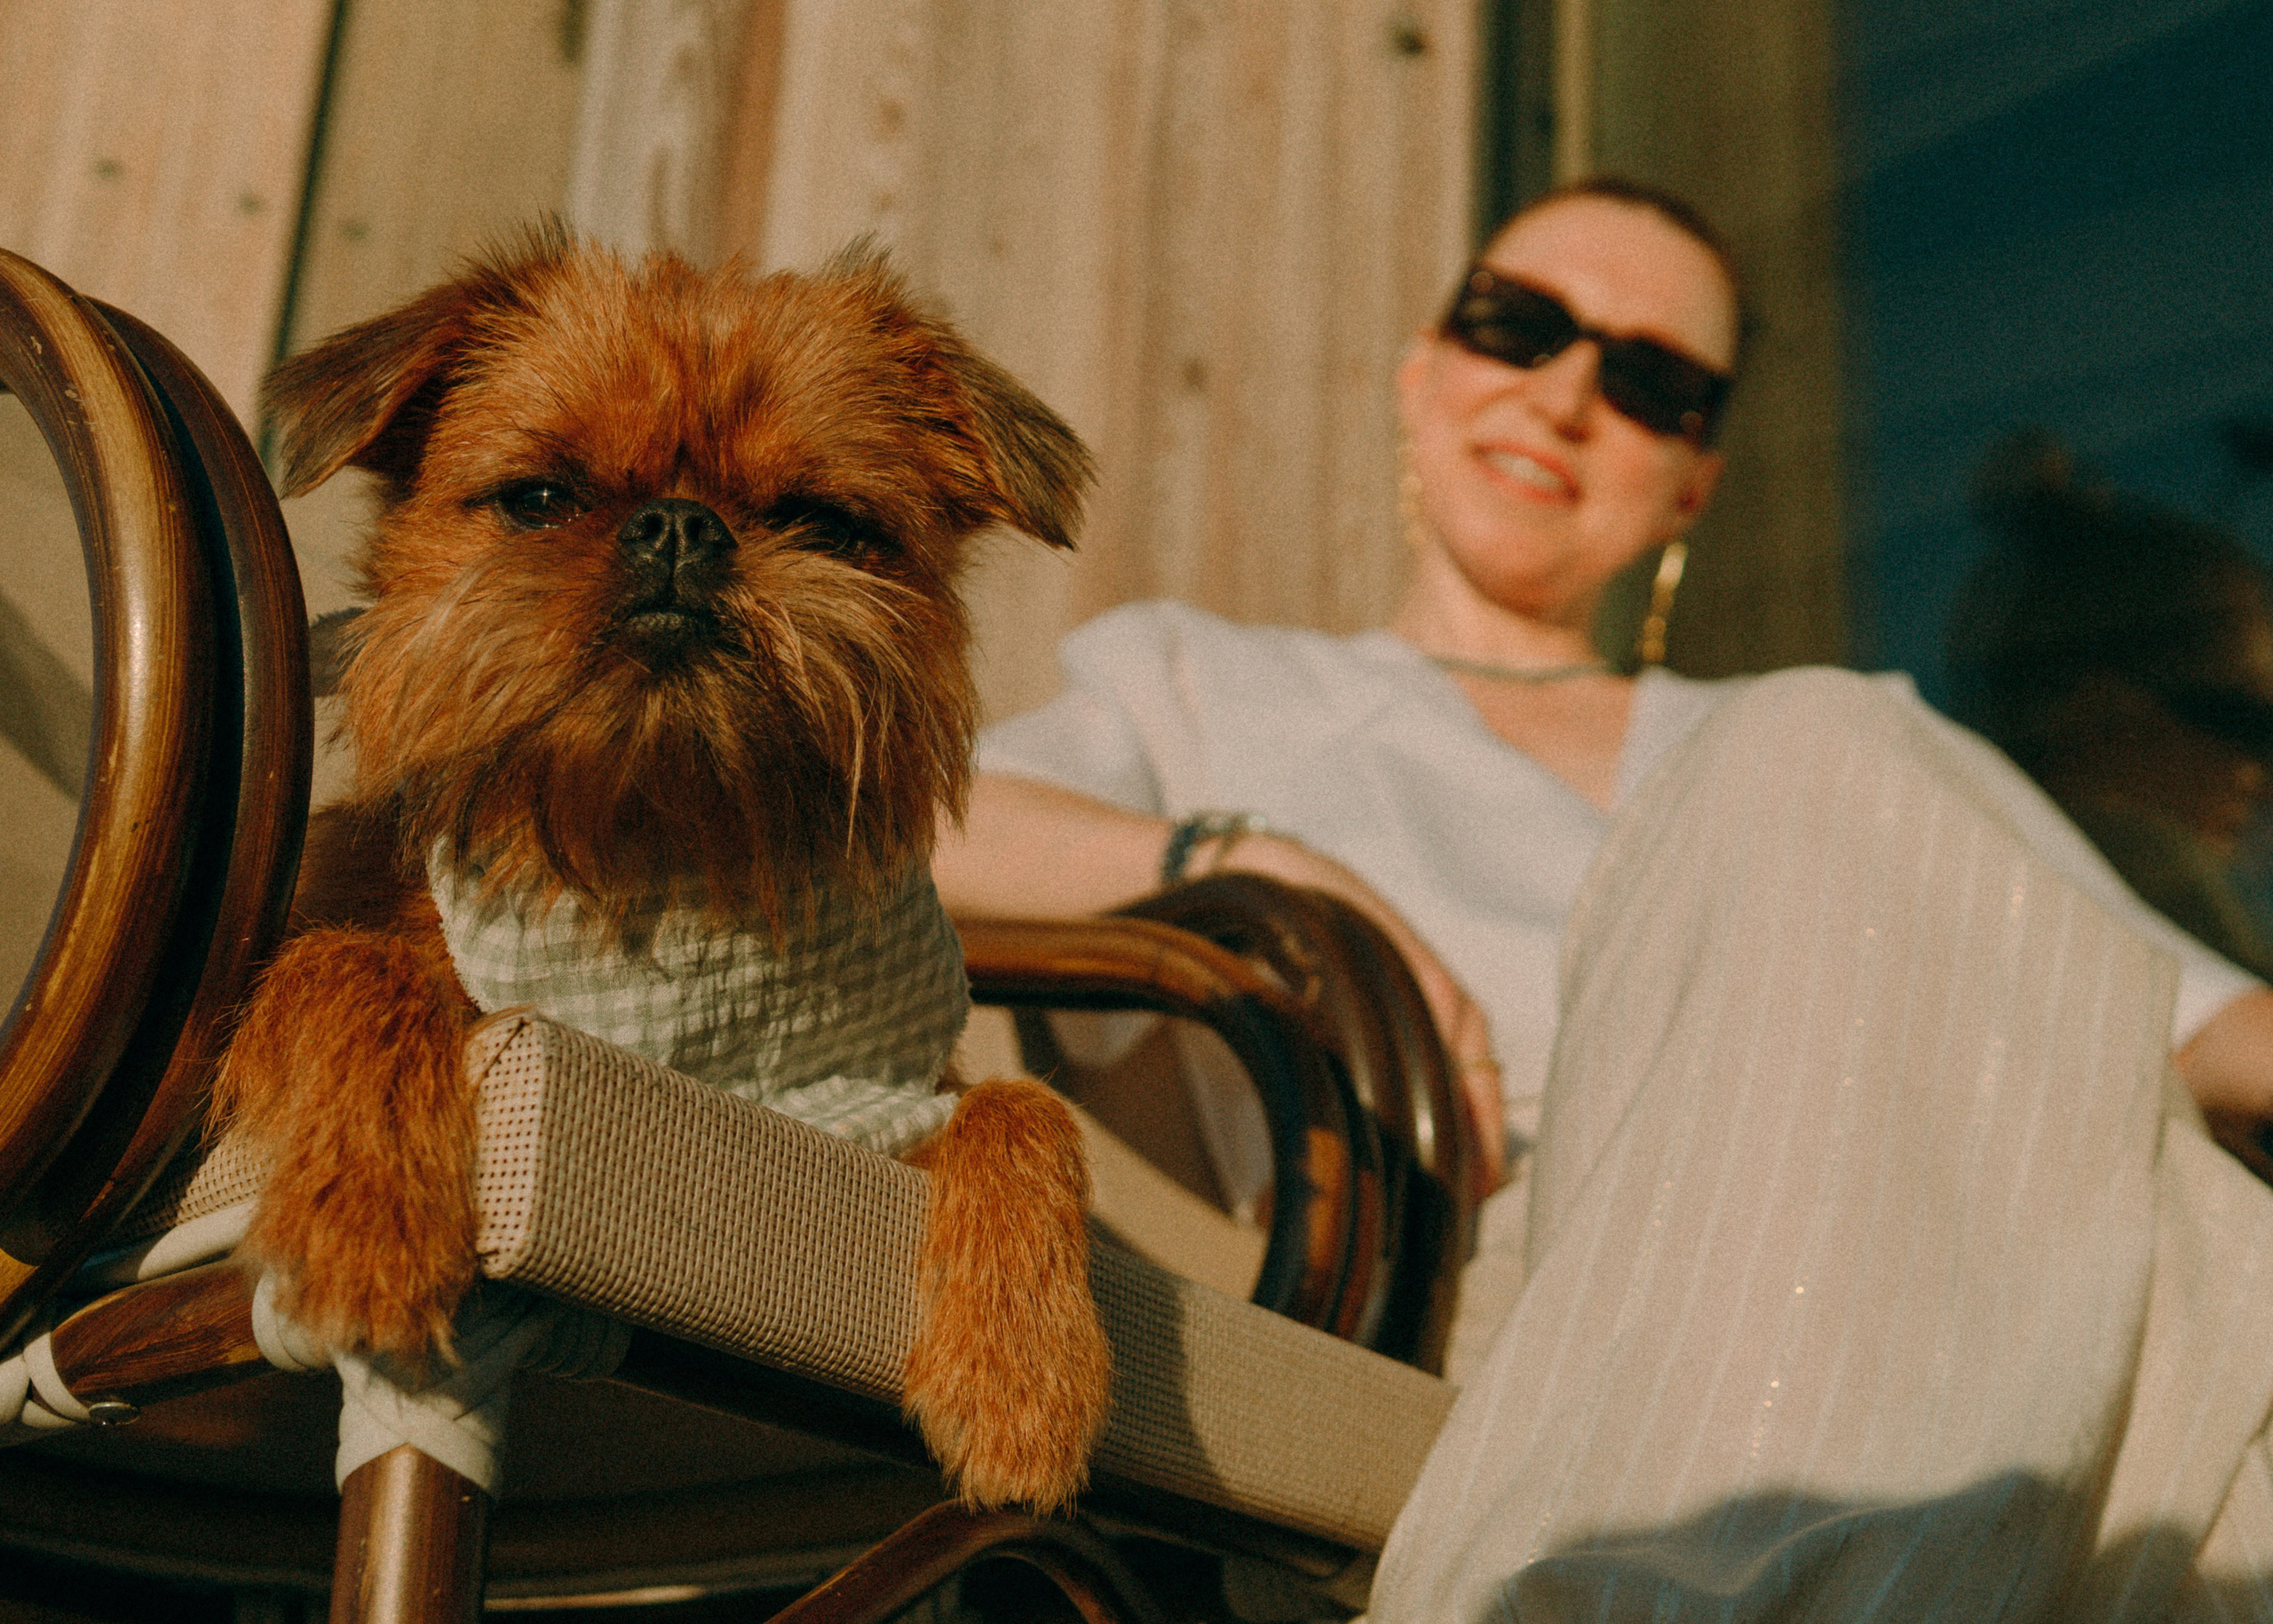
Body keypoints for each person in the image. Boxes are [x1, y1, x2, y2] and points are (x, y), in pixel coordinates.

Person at [933, 179, 2273, 1618]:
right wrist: (1245, 857)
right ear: (1425, 369)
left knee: (2172, 1203)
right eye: (1519, 328)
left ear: (1692, 479)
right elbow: (921, 837)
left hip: (1956, 1266)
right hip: (1521, 1273)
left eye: (1647, 382)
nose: (1568, 393)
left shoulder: (1838, 747)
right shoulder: (1207, 685)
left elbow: (2184, 1020)